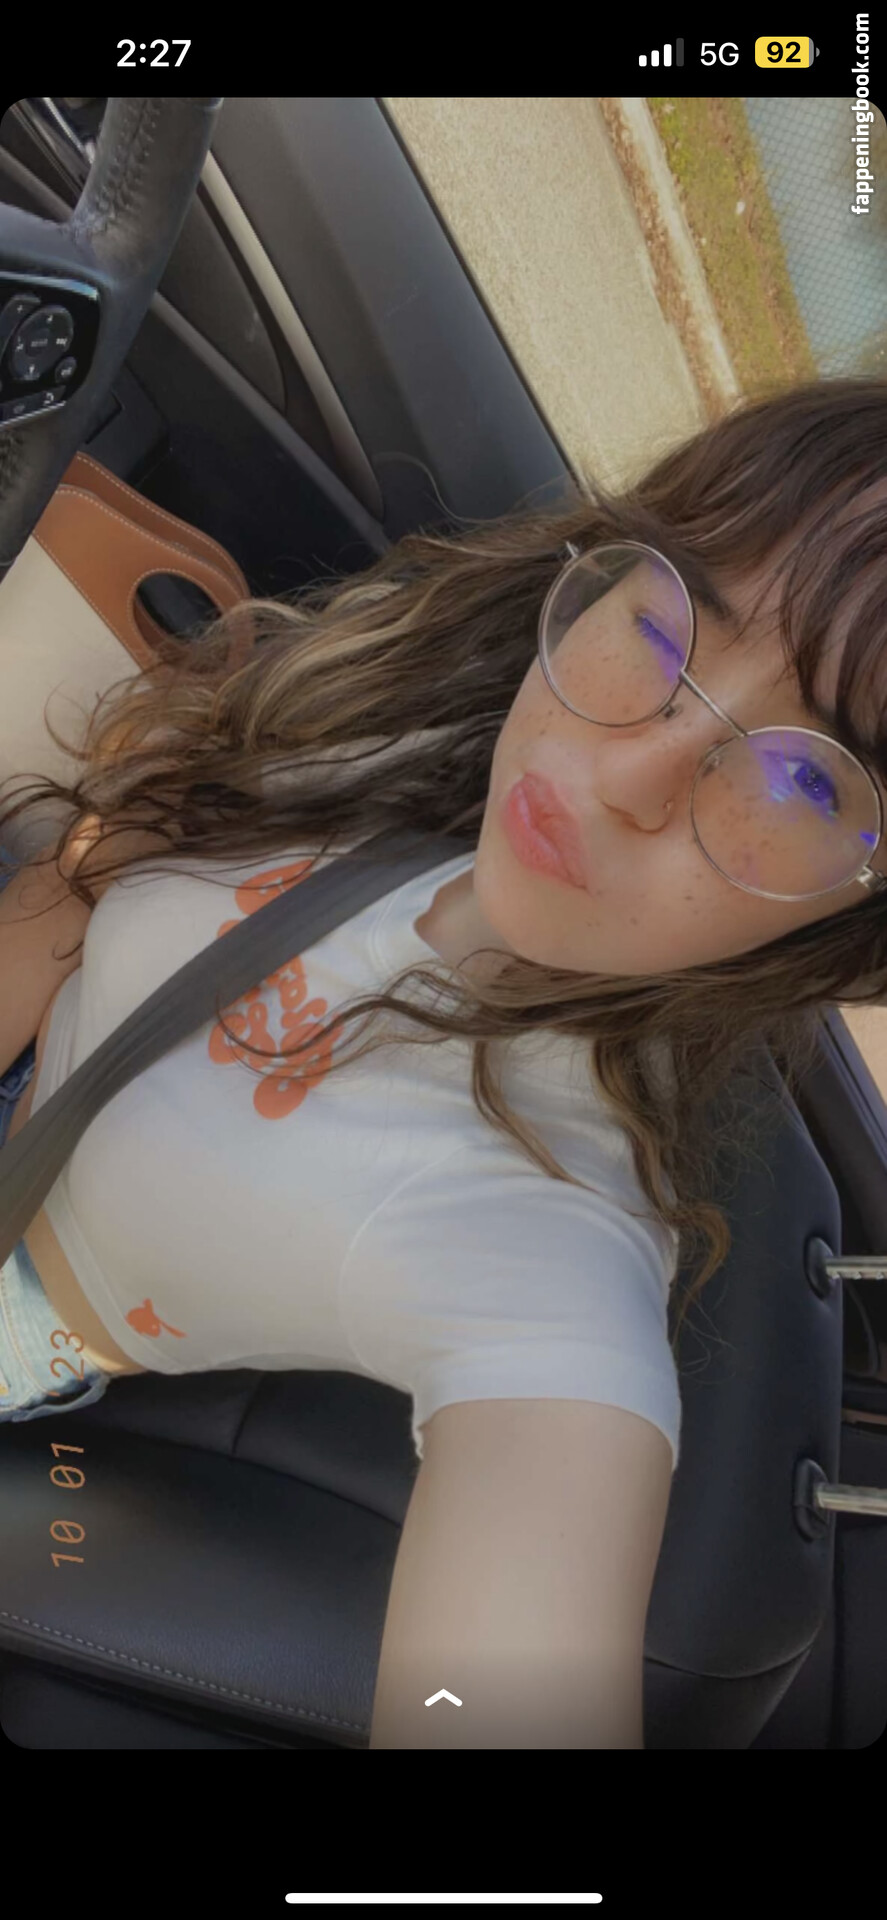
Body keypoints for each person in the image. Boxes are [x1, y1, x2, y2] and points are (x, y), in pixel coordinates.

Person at [2, 374, 887, 1746]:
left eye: (804, 780)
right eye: (667, 622)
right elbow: (93, 867)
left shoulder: (539, 1250)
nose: (624, 773)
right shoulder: (425, 729)